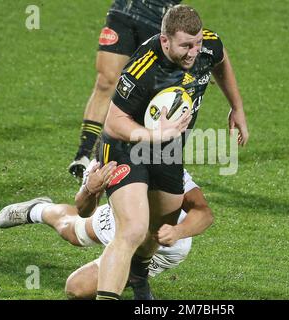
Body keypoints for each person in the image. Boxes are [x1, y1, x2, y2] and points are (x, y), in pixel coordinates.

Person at [98, 4, 249, 300]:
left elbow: (220, 59)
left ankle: (139, 276)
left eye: (197, 44)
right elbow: (113, 123)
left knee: (160, 229)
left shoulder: (206, 45)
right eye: (185, 46)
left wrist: (237, 106)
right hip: (126, 148)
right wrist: (153, 135)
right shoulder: (144, 67)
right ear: (165, 40)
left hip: (167, 150)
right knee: (133, 229)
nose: (193, 52)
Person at [0, 160, 213, 300]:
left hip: (162, 248)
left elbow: (204, 213)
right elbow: (83, 210)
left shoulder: (167, 167)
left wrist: (178, 232)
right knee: (71, 230)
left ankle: (137, 280)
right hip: (122, 222)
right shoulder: (106, 160)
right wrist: (91, 188)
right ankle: (38, 209)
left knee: (76, 288)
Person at [69, 0, 183, 179]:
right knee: (106, 81)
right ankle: (83, 156)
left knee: (145, 96)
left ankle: (130, 161)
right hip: (124, 10)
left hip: (160, 21)